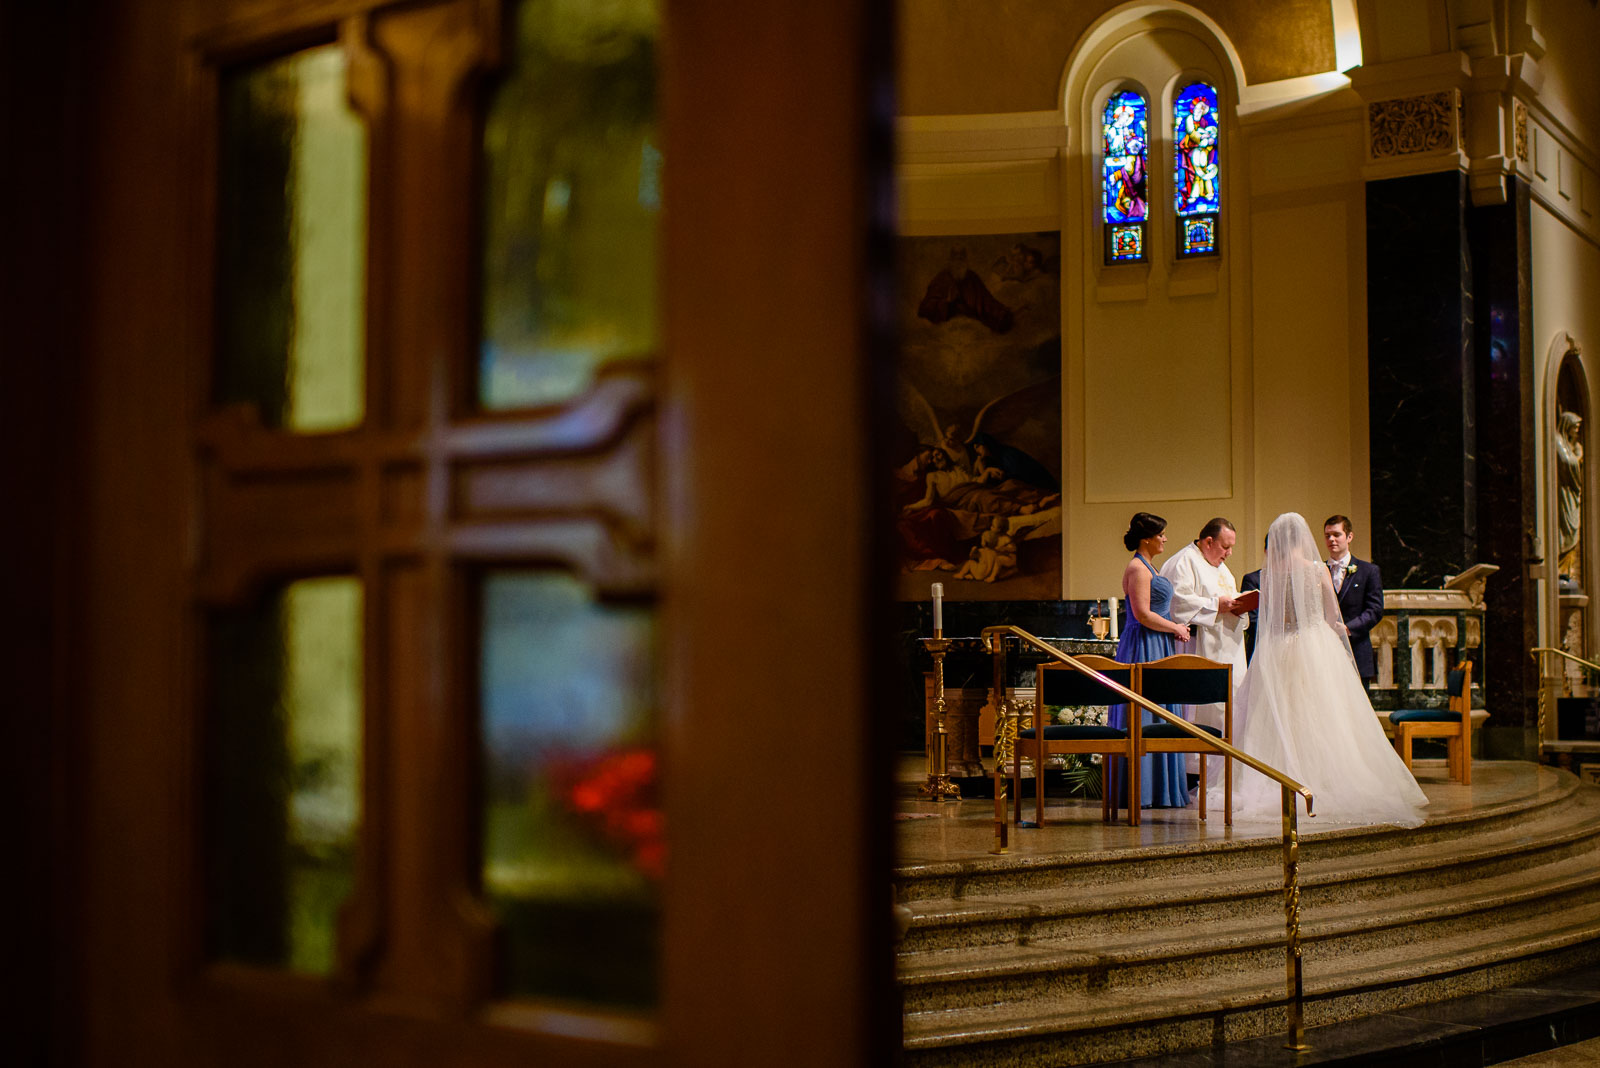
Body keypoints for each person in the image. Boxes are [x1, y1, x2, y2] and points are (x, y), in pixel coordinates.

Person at [1218, 513, 1427, 827]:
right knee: (1322, 716)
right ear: (1302, 539)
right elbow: (1332, 617)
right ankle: (1325, 780)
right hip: (1314, 648)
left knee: (1278, 717)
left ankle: (1279, 779)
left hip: (1276, 650)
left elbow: (1269, 624)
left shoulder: (1268, 574)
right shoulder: (1317, 570)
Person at [1105, 512, 1193, 815]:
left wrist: (1172, 628)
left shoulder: (1148, 566)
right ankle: (1145, 789)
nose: (1165, 539)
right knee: (1145, 711)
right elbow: (1142, 614)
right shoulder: (1138, 568)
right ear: (1147, 538)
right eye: (1162, 534)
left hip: (1156, 642)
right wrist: (1176, 628)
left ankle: (1163, 788)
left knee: (1161, 710)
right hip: (1144, 645)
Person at [1160, 517, 1248, 785]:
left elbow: (1228, 598)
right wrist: (1215, 604)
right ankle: (1195, 774)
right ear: (1208, 541)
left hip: (1227, 650)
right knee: (1200, 710)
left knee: (1227, 709)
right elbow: (1177, 604)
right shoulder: (1183, 561)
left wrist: (1239, 606)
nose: (1228, 553)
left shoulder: (1222, 569)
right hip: (1198, 648)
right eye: (1225, 546)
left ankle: (1223, 771)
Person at [1323, 515, 1384, 686]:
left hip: (1357, 651)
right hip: (1325, 653)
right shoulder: (1317, 570)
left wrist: (1348, 628)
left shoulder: (1368, 571)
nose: (1331, 540)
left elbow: (1375, 610)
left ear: (1349, 537)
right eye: (1327, 536)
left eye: (1336, 534)